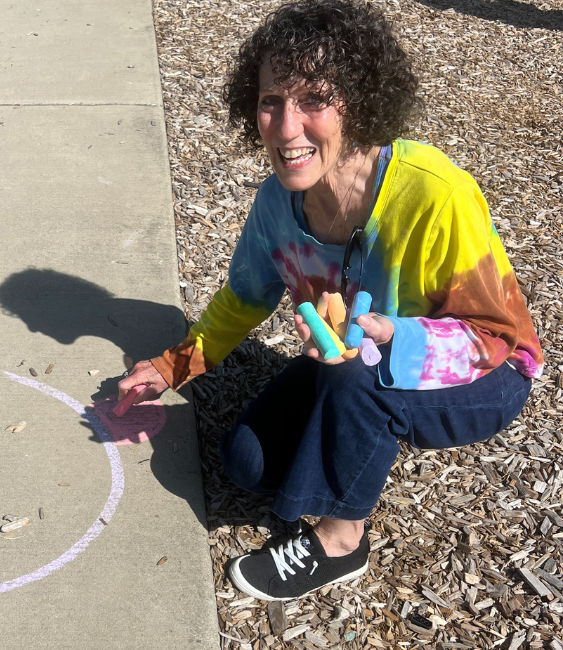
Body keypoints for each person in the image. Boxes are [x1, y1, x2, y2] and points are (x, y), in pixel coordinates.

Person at [118, 0, 544, 602]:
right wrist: (172, 366)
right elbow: (243, 299)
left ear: (359, 103)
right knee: (247, 464)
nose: (287, 127)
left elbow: (499, 338)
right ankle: (354, 425)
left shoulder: (434, 193)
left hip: (485, 377)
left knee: (359, 379)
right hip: (354, 362)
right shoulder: (276, 205)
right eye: (271, 101)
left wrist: (397, 339)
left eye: (313, 99)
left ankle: (344, 541)